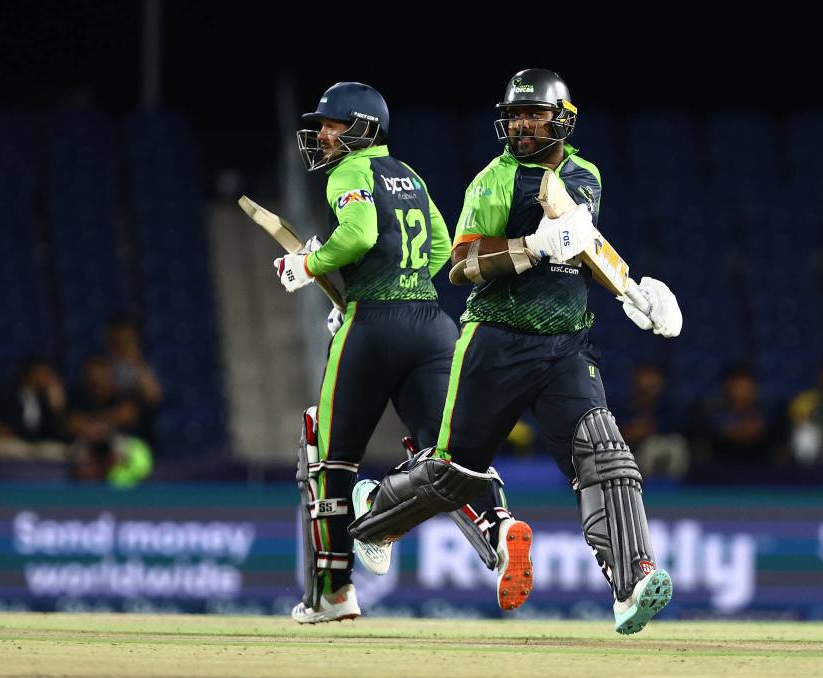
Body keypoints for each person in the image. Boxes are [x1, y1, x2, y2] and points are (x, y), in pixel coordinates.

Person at [348, 68, 683, 635]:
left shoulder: (585, 174)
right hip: (495, 342)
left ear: (563, 119)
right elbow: (461, 265)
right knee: (457, 474)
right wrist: (529, 247)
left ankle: (632, 583)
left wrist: (634, 292)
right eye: (516, 116)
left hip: (566, 345)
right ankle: (376, 513)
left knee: (607, 456)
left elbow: (583, 242)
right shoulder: (493, 181)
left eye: (535, 115)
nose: (524, 125)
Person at [275, 82, 530, 624]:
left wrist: (311, 266)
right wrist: (400, 281)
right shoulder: (408, 175)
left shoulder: (351, 172)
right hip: (432, 323)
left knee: (330, 457)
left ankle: (333, 593)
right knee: (449, 453)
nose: (322, 134)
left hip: (375, 327)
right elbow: (439, 243)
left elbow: (360, 234)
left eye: (332, 124)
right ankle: (501, 526)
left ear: (365, 129)